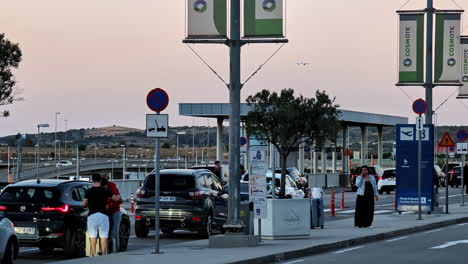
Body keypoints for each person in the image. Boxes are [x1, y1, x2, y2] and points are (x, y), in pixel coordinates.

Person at [82, 173, 120, 256]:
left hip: (92, 216)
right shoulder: (105, 190)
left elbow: (84, 204)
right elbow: (116, 198)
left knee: (92, 237)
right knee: (104, 237)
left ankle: (93, 255)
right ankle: (103, 255)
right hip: (104, 215)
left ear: (92, 180)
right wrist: (117, 195)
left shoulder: (88, 191)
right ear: (100, 180)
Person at [101, 174, 122, 254]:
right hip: (104, 212)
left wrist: (109, 205)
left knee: (114, 231)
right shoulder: (98, 189)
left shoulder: (112, 186)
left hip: (115, 211)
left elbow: (119, 200)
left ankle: (115, 250)